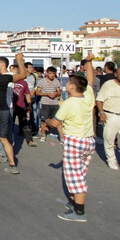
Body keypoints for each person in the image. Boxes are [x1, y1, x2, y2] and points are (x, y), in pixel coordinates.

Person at [44, 54, 96, 222]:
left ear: (73, 87)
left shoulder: (69, 103)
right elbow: (90, 80)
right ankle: (73, 202)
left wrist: (47, 121)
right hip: (89, 140)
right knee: (80, 173)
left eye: (68, 83)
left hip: (74, 140)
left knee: (75, 176)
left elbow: (54, 122)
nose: (66, 85)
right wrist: (89, 63)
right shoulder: (87, 98)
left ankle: (79, 212)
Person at [36, 67, 62, 142]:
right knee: (44, 119)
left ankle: (61, 136)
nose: (52, 75)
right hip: (45, 103)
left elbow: (59, 92)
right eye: (50, 73)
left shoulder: (56, 81)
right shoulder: (42, 81)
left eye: (54, 74)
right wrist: (47, 94)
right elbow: (38, 92)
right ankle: (43, 135)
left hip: (54, 103)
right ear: (47, 73)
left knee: (58, 120)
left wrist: (56, 94)